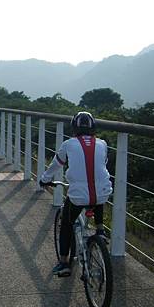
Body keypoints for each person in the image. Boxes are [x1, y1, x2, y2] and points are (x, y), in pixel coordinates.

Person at [39, 111, 113, 277]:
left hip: (78, 196)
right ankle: (100, 230)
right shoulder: (102, 144)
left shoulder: (68, 144)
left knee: (66, 223)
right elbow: (102, 164)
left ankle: (64, 262)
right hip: (103, 193)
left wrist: (44, 179)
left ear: (74, 127)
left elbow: (55, 165)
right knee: (98, 194)